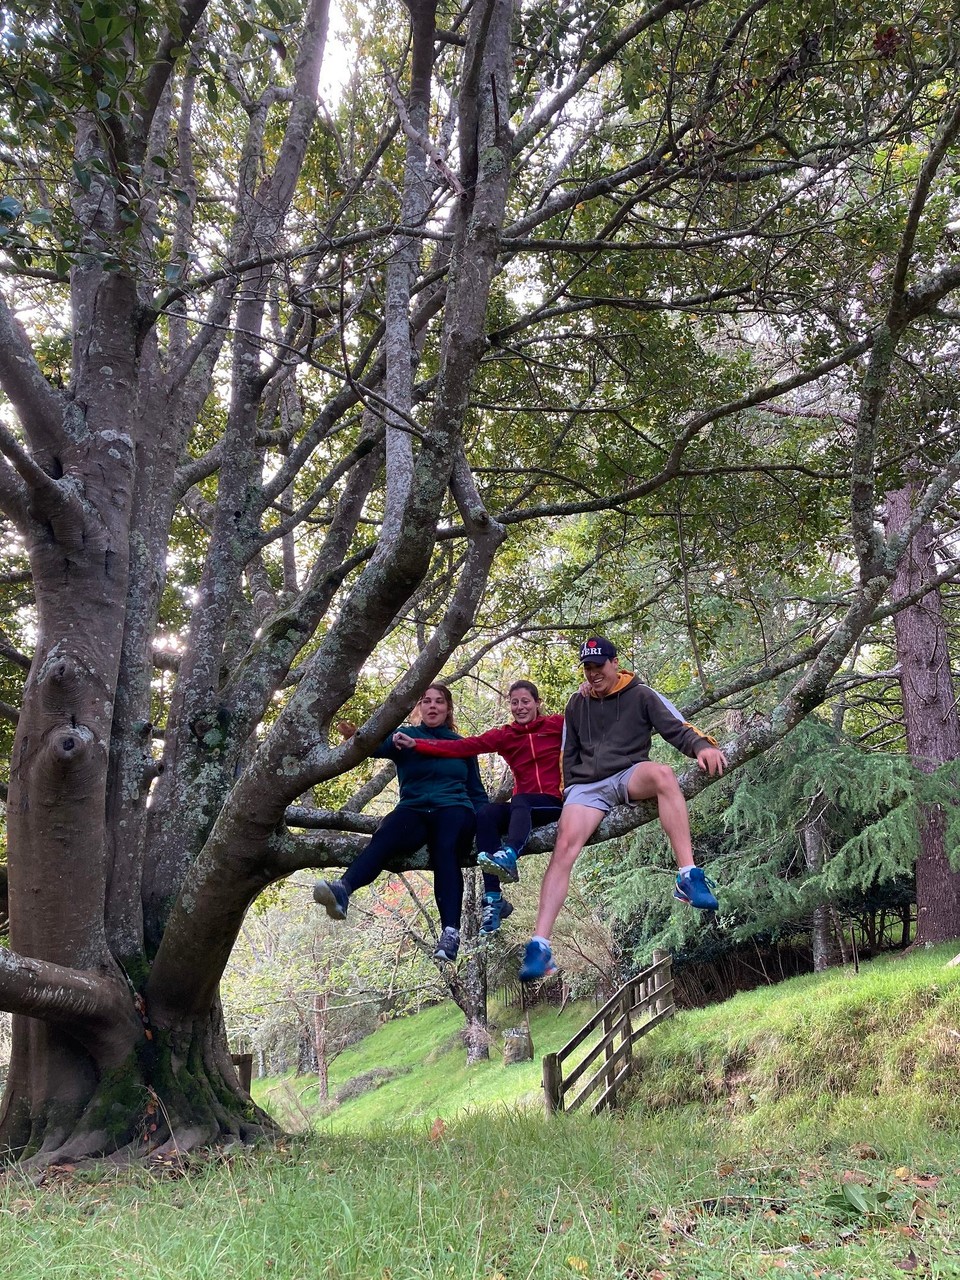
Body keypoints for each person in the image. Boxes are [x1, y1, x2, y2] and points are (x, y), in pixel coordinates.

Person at [519, 636, 727, 982]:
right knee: (563, 849)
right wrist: (570, 792)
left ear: (616, 663)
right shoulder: (577, 703)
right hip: (587, 788)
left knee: (663, 774)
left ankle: (688, 876)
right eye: (587, 667)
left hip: (630, 774)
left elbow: (676, 726)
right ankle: (540, 945)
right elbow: (567, 752)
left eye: (599, 666)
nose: (593, 673)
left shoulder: (641, 694)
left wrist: (702, 746)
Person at [313, 683, 488, 963]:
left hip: (455, 809)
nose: (432, 706)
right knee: (386, 836)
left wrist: (488, 825)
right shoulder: (405, 736)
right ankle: (342, 890)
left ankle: (450, 933)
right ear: (418, 707)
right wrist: (356, 738)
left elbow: (477, 793)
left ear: (448, 708)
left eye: (439, 701)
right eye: (426, 701)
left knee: (445, 849)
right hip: (414, 809)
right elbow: (373, 746)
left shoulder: (461, 745)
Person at [394, 680, 564, 934]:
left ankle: (510, 854)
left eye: (526, 701)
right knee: (486, 812)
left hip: (553, 803)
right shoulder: (505, 736)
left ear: (538, 704)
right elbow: (461, 747)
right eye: (514, 702)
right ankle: (494, 898)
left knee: (521, 799)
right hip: (523, 811)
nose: (520, 707)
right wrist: (417, 744)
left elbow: (592, 720)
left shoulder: (558, 725)